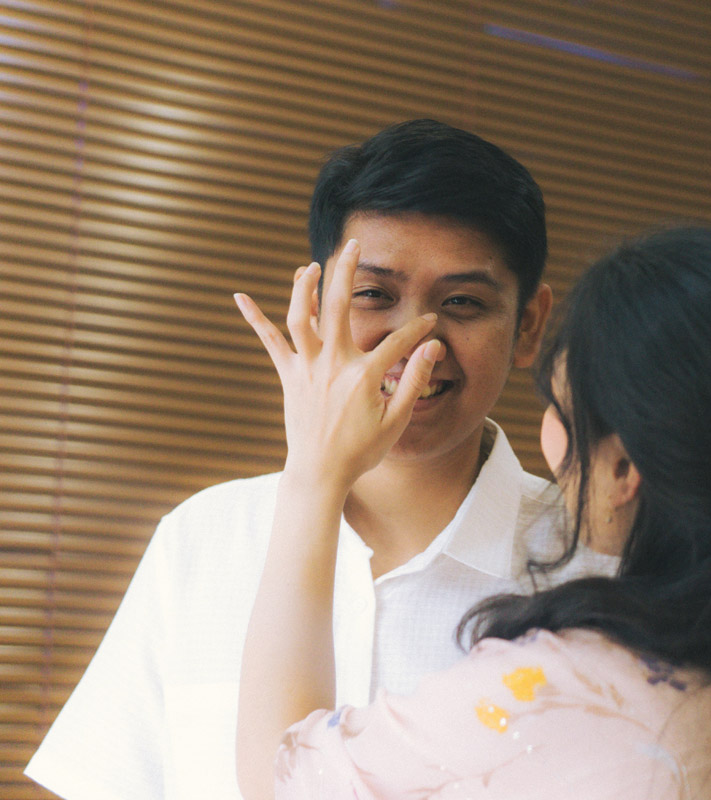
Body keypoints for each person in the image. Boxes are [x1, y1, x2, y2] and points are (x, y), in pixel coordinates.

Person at [26, 119, 616, 800]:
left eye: (461, 303)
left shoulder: (600, 567)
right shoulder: (203, 538)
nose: (412, 342)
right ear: (315, 305)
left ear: (529, 326)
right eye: (374, 295)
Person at [234, 225, 711, 799]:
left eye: (557, 408)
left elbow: (281, 778)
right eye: (376, 294)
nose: (417, 343)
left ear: (623, 467)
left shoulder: (567, 691)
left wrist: (314, 474)